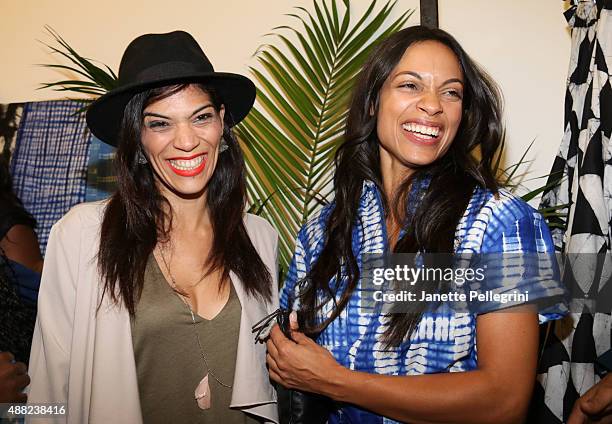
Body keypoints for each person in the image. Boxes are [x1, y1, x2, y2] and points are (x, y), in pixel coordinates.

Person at [268, 26, 565, 424]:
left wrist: (337, 382)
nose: (433, 105)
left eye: (451, 92)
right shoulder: (323, 231)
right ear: (373, 101)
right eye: (410, 85)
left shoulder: (500, 223)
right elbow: (289, 359)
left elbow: (503, 401)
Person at [27, 31, 279, 424]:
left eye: (201, 117)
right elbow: (46, 389)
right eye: (160, 123)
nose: (186, 141)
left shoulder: (258, 237)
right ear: (137, 138)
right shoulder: (82, 236)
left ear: (221, 121)